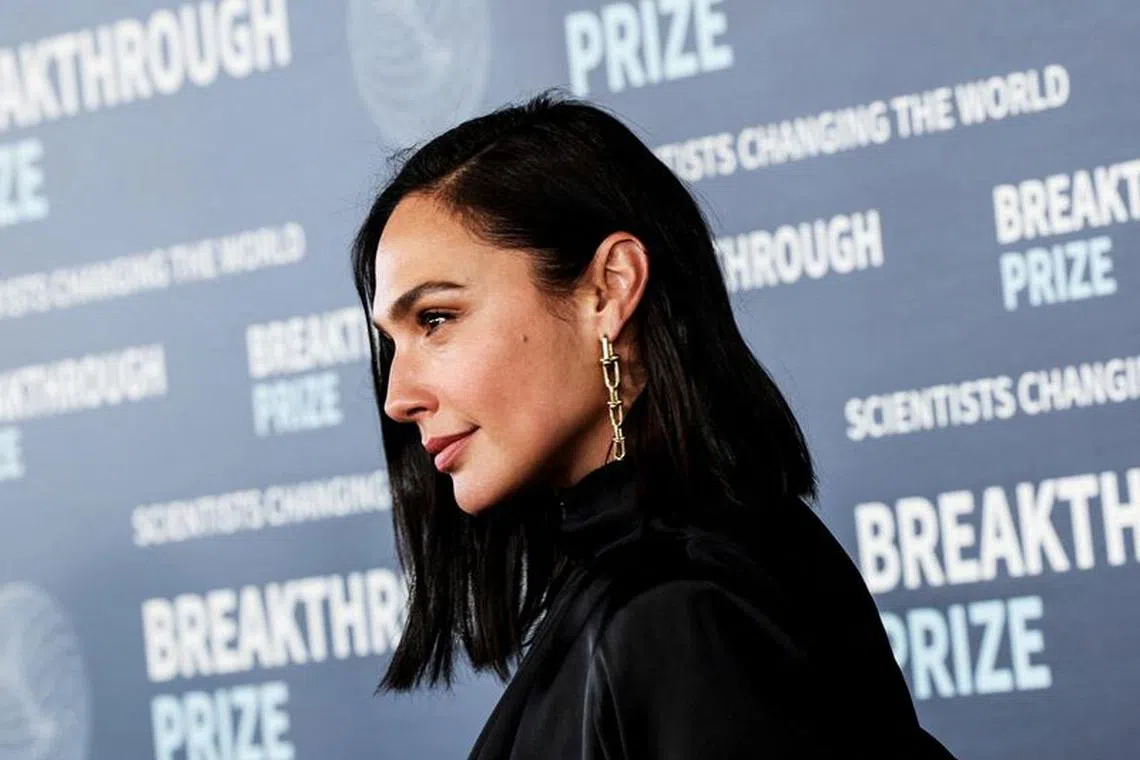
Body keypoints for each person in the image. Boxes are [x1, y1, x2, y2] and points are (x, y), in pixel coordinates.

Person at [350, 90, 958, 758]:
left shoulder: (678, 610)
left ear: (609, 289)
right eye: (393, 343)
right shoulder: (679, 573)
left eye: (436, 319)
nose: (398, 397)